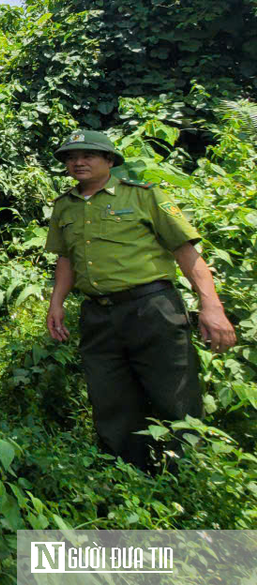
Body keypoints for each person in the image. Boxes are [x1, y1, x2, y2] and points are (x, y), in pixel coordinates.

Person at [44, 129, 237, 470]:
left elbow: (185, 251)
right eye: (71, 157)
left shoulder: (144, 196)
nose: (78, 162)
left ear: (109, 160)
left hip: (152, 308)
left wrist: (212, 306)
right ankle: (127, 476)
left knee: (173, 395)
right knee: (110, 398)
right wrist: (56, 303)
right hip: (98, 315)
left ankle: (184, 477)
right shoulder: (64, 207)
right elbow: (66, 259)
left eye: (88, 155)